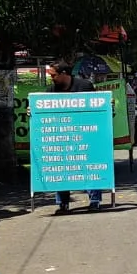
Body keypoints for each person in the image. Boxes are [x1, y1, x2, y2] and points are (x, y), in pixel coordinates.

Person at [49, 61, 102, 212]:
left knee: (90, 166)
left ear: (64, 74)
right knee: (62, 169)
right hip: (63, 137)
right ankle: (62, 203)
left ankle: (94, 200)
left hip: (85, 135)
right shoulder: (52, 90)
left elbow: (96, 108)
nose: (51, 78)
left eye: (53, 75)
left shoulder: (85, 86)